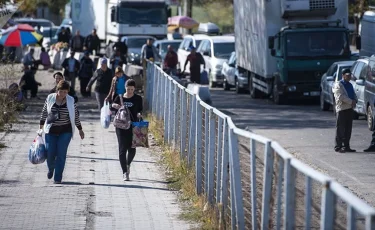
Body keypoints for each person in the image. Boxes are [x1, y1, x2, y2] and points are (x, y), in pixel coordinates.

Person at [39, 80, 85, 184]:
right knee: (50, 153)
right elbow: (44, 113)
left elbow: (75, 116)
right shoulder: (50, 98)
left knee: (61, 153)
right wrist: (40, 129)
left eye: (66, 92)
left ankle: (58, 178)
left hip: (65, 131)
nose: (64, 94)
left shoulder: (70, 100)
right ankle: (51, 168)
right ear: (57, 90)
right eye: (62, 91)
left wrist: (80, 129)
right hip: (51, 130)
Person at [111, 79, 143, 181]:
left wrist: (139, 114)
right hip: (121, 126)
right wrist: (115, 106)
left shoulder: (138, 98)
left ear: (134, 89)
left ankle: (128, 164)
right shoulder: (119, 97)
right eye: (128, 89)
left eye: (131, 89)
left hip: (133, 126)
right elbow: (112, 107)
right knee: (122, 149)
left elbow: (140, 109)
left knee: (132, 148)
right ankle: (125, 172)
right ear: (125, 88)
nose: (129, 91)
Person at [332, 68, 357, 153]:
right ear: (343, 76)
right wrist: (351, 101)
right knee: (340, 128)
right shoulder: (338, 85)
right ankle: (338, 146)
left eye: (350, 75)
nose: (349, 77)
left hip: (349, 108)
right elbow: (340, 97)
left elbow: (353, 94)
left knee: (348, 128)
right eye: (347, 75)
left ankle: (346, 146)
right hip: (342, 109)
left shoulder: (350, 84)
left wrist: (355, 100)